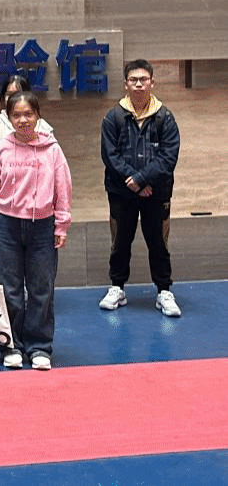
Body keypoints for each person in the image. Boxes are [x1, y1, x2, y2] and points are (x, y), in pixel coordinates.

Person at [0, 91, 72, 371]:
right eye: (16, 115)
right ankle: (11, 345)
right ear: (8, 118)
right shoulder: (0, 150)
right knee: (10, 289)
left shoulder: (52, 150)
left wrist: (62, 224)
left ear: (38, 116)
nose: (23, 120)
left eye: (28, 114)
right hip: (7, 225)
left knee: (42, 288)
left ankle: (40, 346)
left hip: (43, 226)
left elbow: (63, 188)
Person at [98, 59, 182, 317]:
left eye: (143, 79)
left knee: (158, 243)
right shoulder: (113, 117)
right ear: (126, 84)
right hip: (121, 193)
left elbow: (168, 157)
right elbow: (110, 156)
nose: (138, 84)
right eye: (133, 80)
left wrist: (143, 180)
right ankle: (117, 287)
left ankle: (164, 291)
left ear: (152, 82)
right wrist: (134, 183)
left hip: (156, 193)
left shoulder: (165, 117)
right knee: (120, 241)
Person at [0, 74, 53, 147]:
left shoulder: (43, 126)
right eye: (9, 94)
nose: (13, 98)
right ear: (3, 97)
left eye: (18, 94)